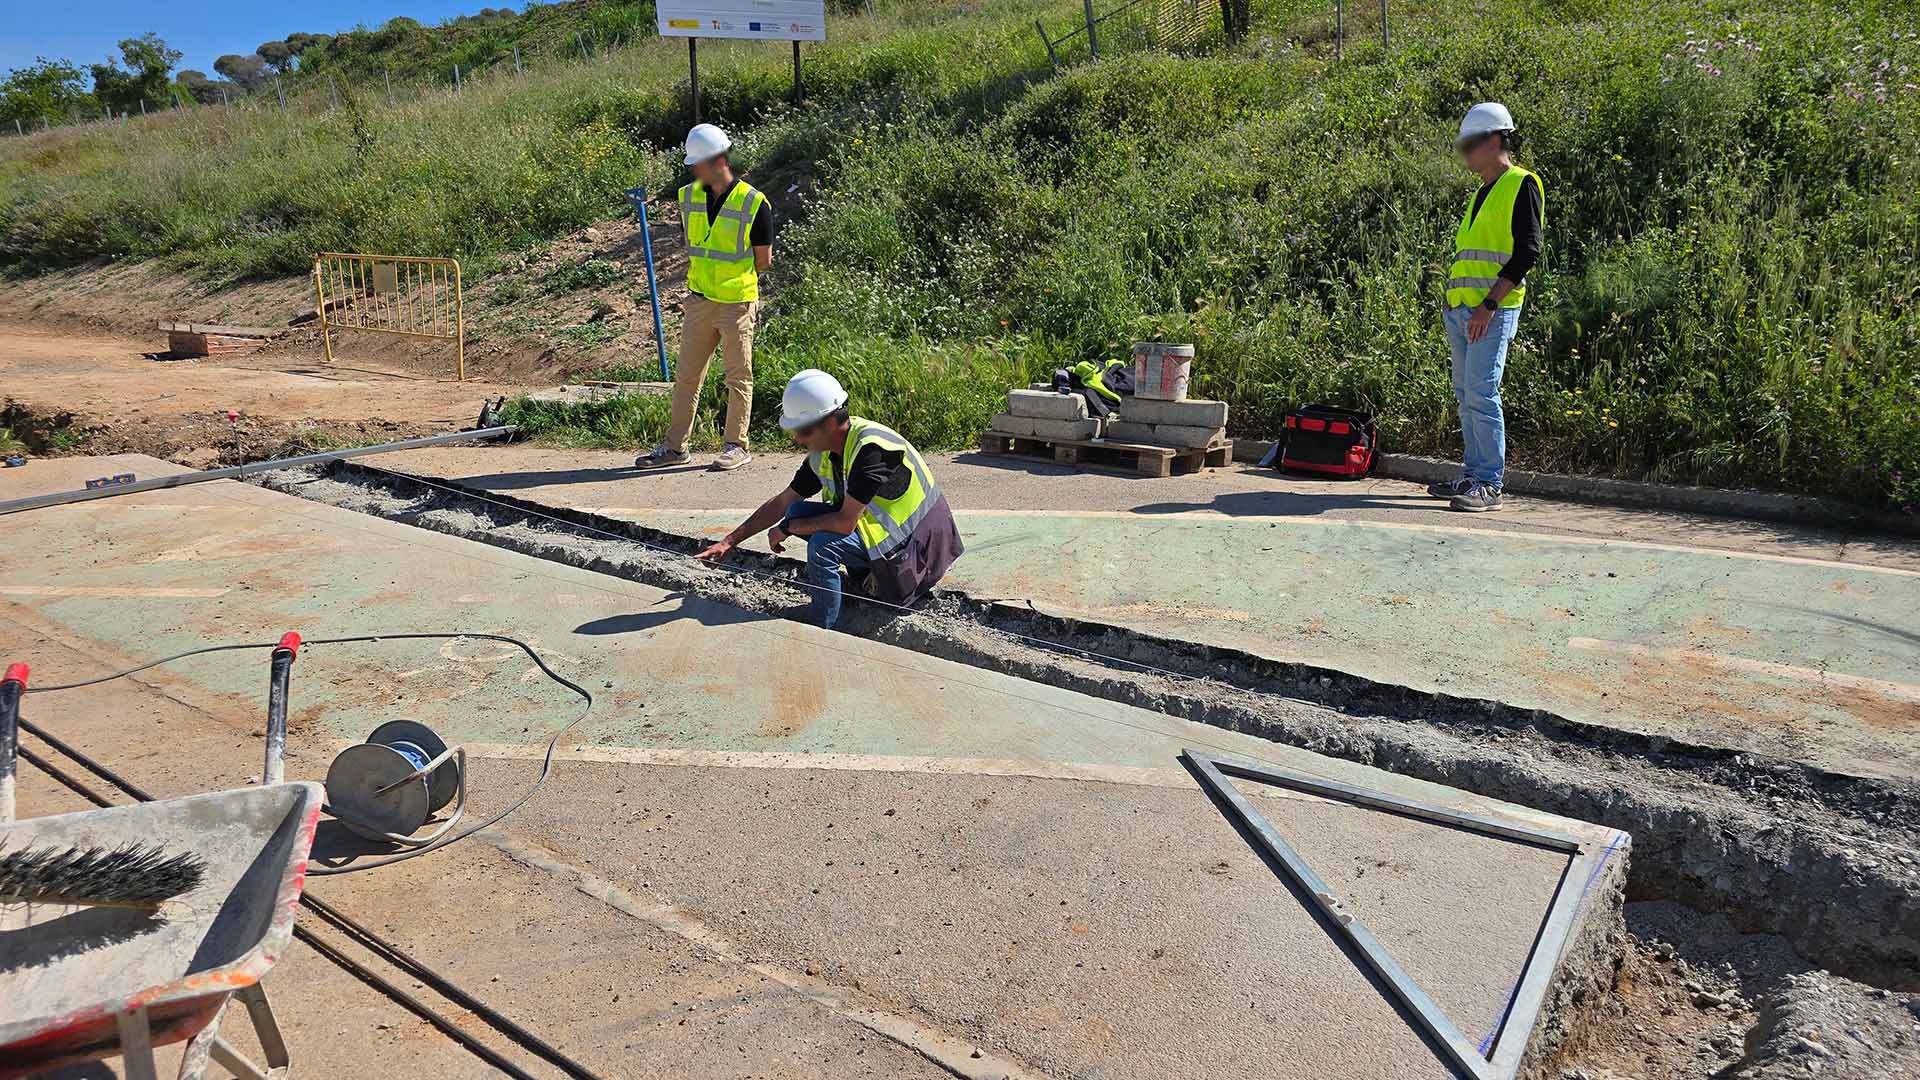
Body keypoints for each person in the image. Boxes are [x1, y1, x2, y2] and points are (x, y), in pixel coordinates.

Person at [695, 369, 964, 630]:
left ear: (831, 423)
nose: (797, 438)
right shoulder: (825, 450)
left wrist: (788, 528)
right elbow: (783, 502)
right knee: (796, 511)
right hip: (888, 541)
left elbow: (845, 523)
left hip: (919, 552)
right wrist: (728, 542)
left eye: (803, 431)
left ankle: (822, 626)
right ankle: (860, 583)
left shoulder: (872, 450)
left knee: (823, 545)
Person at [635, 123, 775, 472]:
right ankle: (675, 447)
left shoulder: (754, 203)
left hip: (737, 301)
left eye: (697, 164)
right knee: (686, 376)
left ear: (718, 161)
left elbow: (763, 260)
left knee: (738, 377)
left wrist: (733, 284)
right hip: (699, 301)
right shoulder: (688, 197)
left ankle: (736, 445)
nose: (693, 171)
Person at [1430, 102, 1544, 513]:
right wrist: (1453, 299)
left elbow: (1528, 251)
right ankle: (1473, 474)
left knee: (1481, 392)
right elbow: (1472, 254)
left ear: (1495, 140)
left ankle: (1489, 484)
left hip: (1491, 310)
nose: (1465, 154)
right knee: (1466, 396)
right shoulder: (1482, 192)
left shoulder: (1521, 184)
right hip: (1463, 308)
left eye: (1470, 144)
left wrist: (1490, 304)